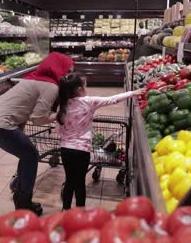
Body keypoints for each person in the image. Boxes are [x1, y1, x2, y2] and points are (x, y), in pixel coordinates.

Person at [0, 52, 74, 215]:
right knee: (31, 155)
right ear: (59, 68)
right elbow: (37, 119)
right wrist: (60, 116)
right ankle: (24, 203)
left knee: (27, 154)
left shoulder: (31, 78)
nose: (69, 76)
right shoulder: (50, 86)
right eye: (68, 71)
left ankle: (20, 192)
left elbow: (22, 109)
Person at [56, 73, 144, 210]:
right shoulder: (89, 102)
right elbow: (112, 100)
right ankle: (80, 211)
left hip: (66, 149)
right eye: (85, 86)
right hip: (82, 150)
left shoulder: (62, 106)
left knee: (69, 181)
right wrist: (133, 92)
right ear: (79, 90)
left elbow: (59, 130)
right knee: (79, 183)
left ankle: (65, 209)